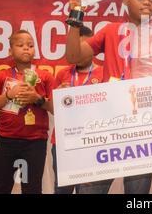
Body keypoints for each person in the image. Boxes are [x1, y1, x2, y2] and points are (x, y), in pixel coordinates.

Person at [65, 0, 152, 194]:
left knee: (137, 194)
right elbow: (73, 56)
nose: (147, 4)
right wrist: (75, 16)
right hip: (108, 123)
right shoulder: (111, 31)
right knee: (91, 190)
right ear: (125, 0)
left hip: (143, 126)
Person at [0, 30, 54, 194]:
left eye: (30, 45)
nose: (26, 48)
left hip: (35, 143)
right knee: (0, 188)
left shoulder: (45, 76)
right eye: (20, 45)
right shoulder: (1, 76)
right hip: (6, 142)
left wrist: (37, 99)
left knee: (31, 189)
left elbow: (57, 109)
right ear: (10, 51)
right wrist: (9, 95)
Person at [50, 25, 103, 194]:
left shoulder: (104, 74)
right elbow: (52, 110)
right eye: (75, 48)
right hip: (62, 143)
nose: (79, 53)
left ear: (93, 49)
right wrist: (58, 97)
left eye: (83, 48)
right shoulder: (62, 74)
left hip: (91, 143)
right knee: (61, 189)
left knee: (87, 190)